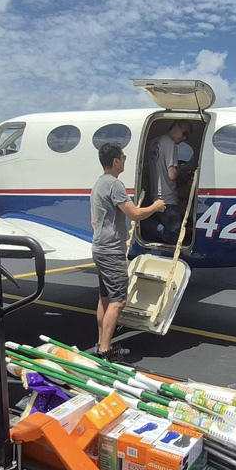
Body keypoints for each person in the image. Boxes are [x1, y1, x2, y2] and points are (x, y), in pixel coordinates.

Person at [91, 142, 165, 360]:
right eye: (123, 157)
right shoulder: (115, 184)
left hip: (100, 248)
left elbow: (94, 220)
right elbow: (135, 214)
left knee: (105, 298)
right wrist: (156, 206)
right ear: (116, 161)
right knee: (118, 301)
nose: (124, 160)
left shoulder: (98, 184)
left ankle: (100, 343)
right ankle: (105, 351)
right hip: (112, 251)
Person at [145, 120, 192, 243]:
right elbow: (172, 174)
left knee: (163, 238)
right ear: (176, 127)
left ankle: (149, 224)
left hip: (154, 197)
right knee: (176, 238)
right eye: (185, 133)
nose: (185, 138)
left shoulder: (153, 142)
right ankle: (150, 225)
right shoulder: (170, 144)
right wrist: (180, 169)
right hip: (168, 199)